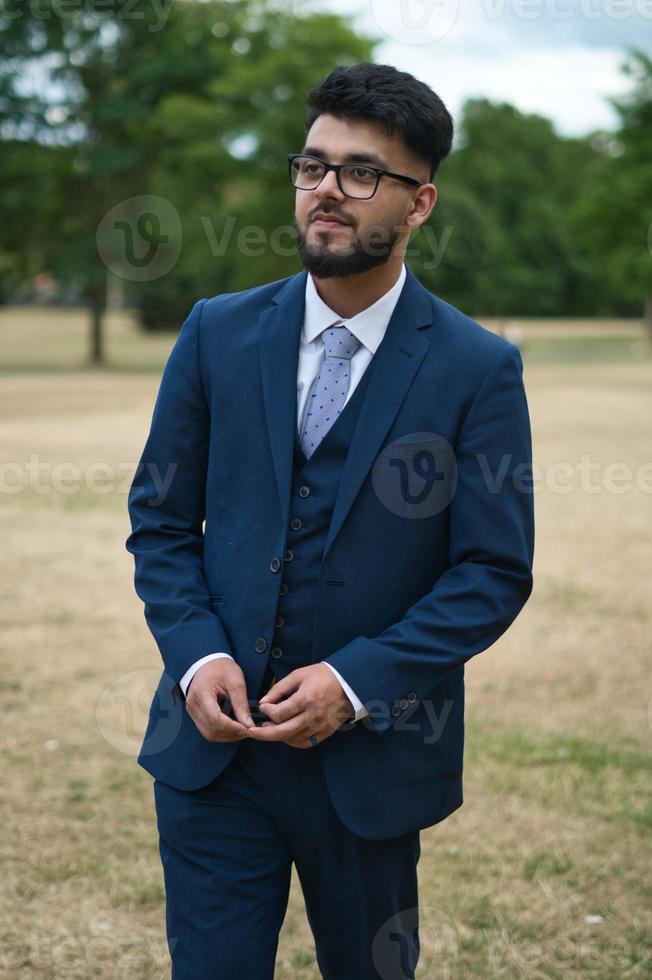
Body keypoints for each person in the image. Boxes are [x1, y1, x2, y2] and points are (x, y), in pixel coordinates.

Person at [125, 62, 535, 980]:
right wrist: (196, 657)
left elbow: (491, 572)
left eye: (361, 173)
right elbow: (158, 523)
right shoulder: (215, 333)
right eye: (312, 167)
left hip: (374, 767)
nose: (327, 192)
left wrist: (355, 683)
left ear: (419, 203)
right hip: (212, 762)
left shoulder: (477, 369)